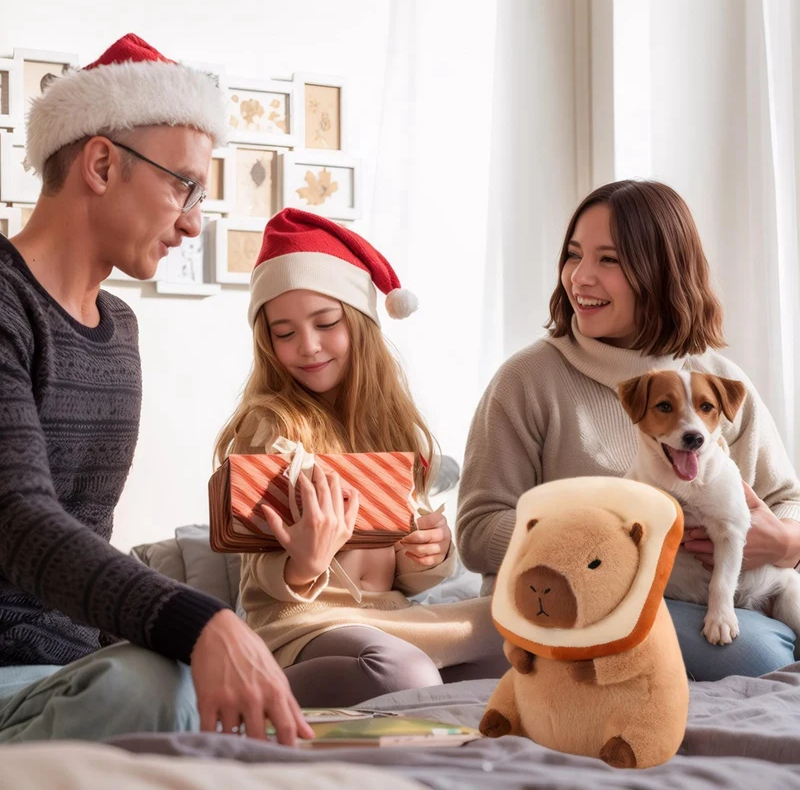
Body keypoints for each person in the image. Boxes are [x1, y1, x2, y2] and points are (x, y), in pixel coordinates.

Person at [0, 33, 311, 745]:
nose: (194, 221)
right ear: (102, 164)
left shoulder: (119, 329)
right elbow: (17, 520)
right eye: (185, 185)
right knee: (157, 685)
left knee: (183, 691)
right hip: (15, 675)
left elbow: (83, 540)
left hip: (72, 672)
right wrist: (199, 624)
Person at [456, 179, 800, 682]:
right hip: (590, 604)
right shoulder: (528, 380)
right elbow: (477, 530)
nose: (580, 278)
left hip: (733, 598)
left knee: (765, 644)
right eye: (573, 256)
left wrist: (787, 543)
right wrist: (606, 544)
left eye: (608, 260)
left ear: (663, 272)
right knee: (758, 660)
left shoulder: (716, 378)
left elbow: (786, 497)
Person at [216, 208, 502, 707]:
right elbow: (260, 574)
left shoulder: (391, 428)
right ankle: (252, 690)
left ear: (361, 324)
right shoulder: (269, 426)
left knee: (521, 639)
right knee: (402, 671)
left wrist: (428, 552)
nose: (307, 346)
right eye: (284, 333)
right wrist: (304, 563)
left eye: (326, 323)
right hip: (301, 626)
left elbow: (408, 579)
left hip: (387, 616)